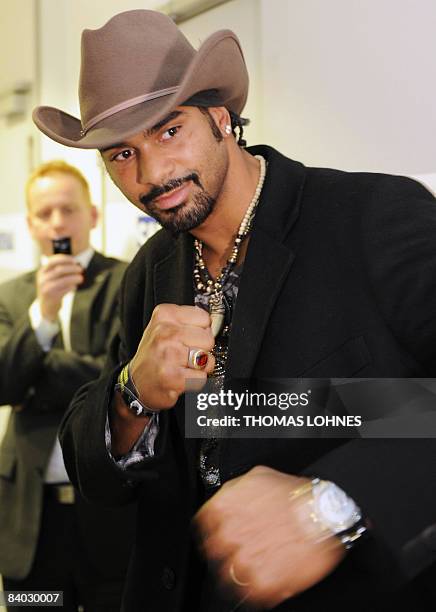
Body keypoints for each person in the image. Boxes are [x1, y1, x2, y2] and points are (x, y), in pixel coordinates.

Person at [33, 10, 436, 612]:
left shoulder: (374, 216)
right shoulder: (149, 271)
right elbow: (100, 471)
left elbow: (411, 412)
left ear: (221, 118)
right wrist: (131, 392)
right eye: (121, 154)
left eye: (169, 131)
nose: (151, 174)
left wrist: (331, 506)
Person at [0, 160, 136, 611]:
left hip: (111, 517)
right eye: (45, 213)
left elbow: (120, 378)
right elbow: (3, 384)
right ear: (30, 223)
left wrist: (35, 378)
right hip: (32, 524)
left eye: (68, 209)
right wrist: (41, 315)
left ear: (92, 215)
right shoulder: (10, 297)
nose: (57, 222)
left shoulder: (127, 282)